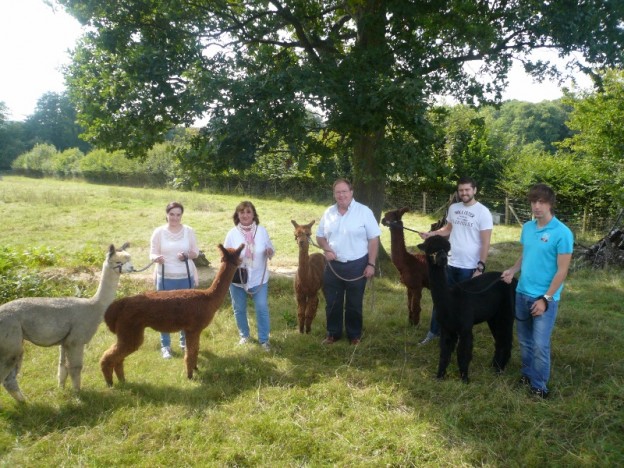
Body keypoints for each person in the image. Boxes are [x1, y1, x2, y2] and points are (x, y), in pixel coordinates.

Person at [502, 184, 573, 398]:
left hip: (544, 298)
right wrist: (513, 270)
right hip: (522, 292)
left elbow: (562, 271)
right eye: (533, 202)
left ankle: (539, 386)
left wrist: (546, 298)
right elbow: (527, 254)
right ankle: (527, 373)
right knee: (524, 341)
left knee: (540, 345)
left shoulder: (562, 233)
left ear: (551, 204)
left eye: (541, 202)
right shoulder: (528, 228)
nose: (536, 206)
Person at [418, 176, 493, 345]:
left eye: (467, 190)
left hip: (469, 266)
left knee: (463, 304)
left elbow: (486, 242)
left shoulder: (483, 212)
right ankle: (433, 332)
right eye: (461, 190)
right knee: (440, 299)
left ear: (474, 190)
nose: (464, 193)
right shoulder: (454, 208)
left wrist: (480, 267)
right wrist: (432, 234)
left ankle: (459, 337)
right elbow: (448, 229)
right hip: (449, 263)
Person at [316, 178, 381, 345]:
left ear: (351, 192)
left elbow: (373, 239)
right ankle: (333, 333)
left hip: (357, 264)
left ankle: (354, 335)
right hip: (333, 266)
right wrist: (327, 249)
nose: (341, 195)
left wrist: (371, 263)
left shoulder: (364, 211)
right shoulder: (328, 212)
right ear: (334, 194)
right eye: (338, 192)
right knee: (332, 302)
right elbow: (320, 236)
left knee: (354, 303)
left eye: (344, 191)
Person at [150, 201, 199, 359]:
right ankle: (166, 346)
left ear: (181, 215)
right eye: (172, 214)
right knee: (163, 312)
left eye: (178, 215)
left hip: (185, 277)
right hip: (165, 277)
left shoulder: (189, 231)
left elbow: (195, 252)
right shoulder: (158, 232)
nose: (175, 218)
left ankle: (184, 342)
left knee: (187, 312)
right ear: (167, 214)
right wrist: (156, 258)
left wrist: (186, 256)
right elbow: (152, 253)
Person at [224, 201, 275, 352]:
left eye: (248, 212)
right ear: (237, 215)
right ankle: (244, 335)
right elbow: (226, 256)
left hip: (259, 277)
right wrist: (234, 259)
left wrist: (269, 251)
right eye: (242, 212)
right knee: (239, 308)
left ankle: (264, 340)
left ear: (253, 215)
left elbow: (270, 247)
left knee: (261, 307)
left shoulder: (261, 231)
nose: (245, 215)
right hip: (237, 279)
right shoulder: (232, 233)